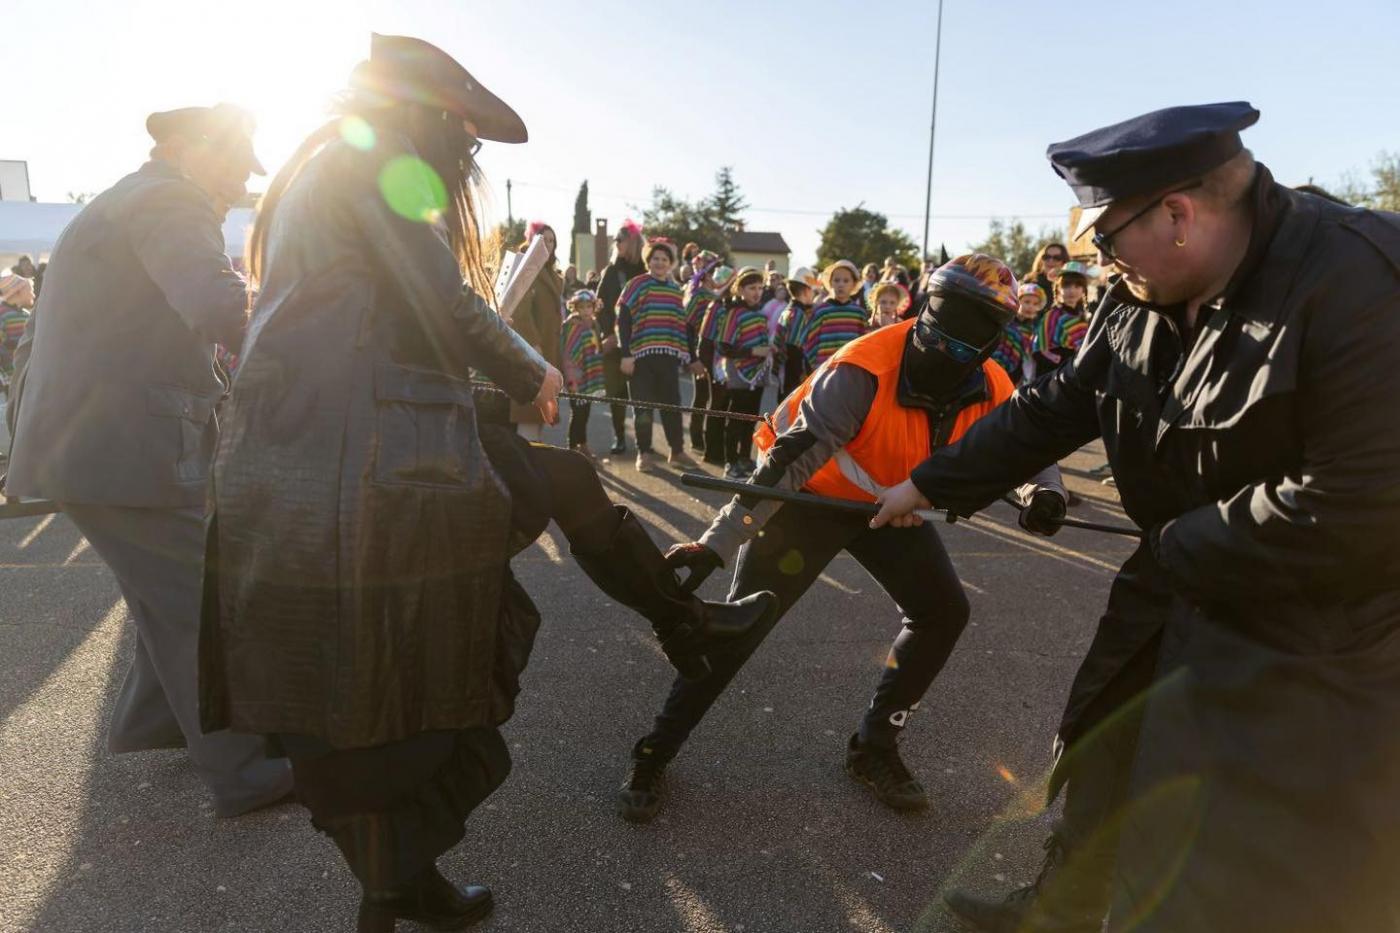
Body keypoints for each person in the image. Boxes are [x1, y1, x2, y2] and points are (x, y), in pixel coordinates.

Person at [198, 35, 777, 933]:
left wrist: (485, 383)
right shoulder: (371, 158)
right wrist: (526, 370)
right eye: (462, 133)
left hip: (322, 457)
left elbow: (376, 323)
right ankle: (683, 627)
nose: (464, 154)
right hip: (362, 465)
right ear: (423, 110)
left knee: (373, 687)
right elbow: (438, 297)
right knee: (400, 679)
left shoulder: (323, 170)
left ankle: (402, 887)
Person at [870, 102, 1400, 933]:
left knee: (1226, 861)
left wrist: (1183, 542)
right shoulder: (1142, 293)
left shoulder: (1359, 277)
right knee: (1105, 761)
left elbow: (1365, 498)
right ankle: (1059, 911)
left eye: (1107, 242)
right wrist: (930, 482)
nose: (1103, 267)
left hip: (1312, 637)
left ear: (1179, 216)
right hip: (1174, 586)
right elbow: (1055, 406)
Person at [617, 254, 1067, 823]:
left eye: (976, 332)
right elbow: (782, 468)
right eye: (947, 324)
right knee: (741, 626)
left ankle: (873, 747)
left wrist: (1041, 493)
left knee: (943, 611)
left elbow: (1023, 446)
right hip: (807, 502)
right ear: (922, 306)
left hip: (886, 508)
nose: (956, 345)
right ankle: (655, 750)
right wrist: (715, 544)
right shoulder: (862, 368)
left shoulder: (993, 382)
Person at [3, 104, 292, 819]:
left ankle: (157, 721)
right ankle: (242, 769)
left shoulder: (127, 197)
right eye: (234, 164)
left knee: (168, 587)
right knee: (196, 598)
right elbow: (218, 307)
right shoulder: (170, 199)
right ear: (194, 149)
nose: (238, 185)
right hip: (119, 443)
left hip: (97, 439)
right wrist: (306, 345)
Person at [615, 237, 696, 472]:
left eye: (664, 259)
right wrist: (626, 354)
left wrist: (691, 357)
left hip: (668, 357)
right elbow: (624, 320)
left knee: (672, 405)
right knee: (642, 407)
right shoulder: (637, 284)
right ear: (648, 261)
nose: (660, 263)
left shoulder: (675, 291)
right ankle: (644, 453)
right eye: (655, 259)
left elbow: (683, 327)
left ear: (670, 263)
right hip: (640, 358)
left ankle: (677, 451)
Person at [712, 267, 773, 478]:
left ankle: (745, 458)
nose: (757, 292)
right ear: (740, 289)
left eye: (760, 287)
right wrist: (753, 351)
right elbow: (723, 346)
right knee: (736, 418)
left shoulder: (760, 314)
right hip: (738, 373)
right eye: (751, 288)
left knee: (750, 418)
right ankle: (731, 461)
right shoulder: (733, 313)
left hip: (757, 374)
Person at [507, 220, 564, 441]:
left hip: (548, 349)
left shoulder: (550, 272)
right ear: (532, 241)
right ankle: (525, 466)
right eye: (544, 239)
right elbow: (521, 312)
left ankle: (532, 463)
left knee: (539, 416)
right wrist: (533, 343)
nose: (548, 244)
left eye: (552, 240)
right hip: (533, 350)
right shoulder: (527, 267)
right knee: (529, 414)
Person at [595, 220, 645, 454]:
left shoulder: (646, 271)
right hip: (614, 343)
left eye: (620, 239)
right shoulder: (611, 271)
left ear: (633, 241)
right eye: (615, 239)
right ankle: (619, 437)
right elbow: (600, 306)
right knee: (616, 393)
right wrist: (610, 333)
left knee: (642, 393)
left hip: (642, 341)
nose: (615, 243)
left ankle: (644, 442)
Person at [682, 250, 723, 456]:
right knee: (703, 396)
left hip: (717, 353)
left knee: (709, 397)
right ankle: (698, 439)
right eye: (716, 272)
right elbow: (686, 327)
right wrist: (693, 357)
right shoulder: (699, 296)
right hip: (703, 352)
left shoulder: (712, 296)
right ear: (707, 275)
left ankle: (704, 439)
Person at [560, 288, 605, 458]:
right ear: (575, 308)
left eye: (589, 307)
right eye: (582, 307)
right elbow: (568, 355)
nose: (586, 311)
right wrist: (571, 379)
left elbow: (596, 348)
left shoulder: (594, 325)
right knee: (578, 412)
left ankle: (583, 444)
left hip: (590, 376)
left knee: (585, 411)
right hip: (576, 378)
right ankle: (572, 449)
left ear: (594, 307)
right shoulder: (571, 326)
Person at [800, 260, 867, 373]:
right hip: (824, 369)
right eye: (837, 280)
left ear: (853, 284)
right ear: (830, 283)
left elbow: (863, 342)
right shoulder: (821, 311)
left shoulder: (859, 313)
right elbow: (809, 340)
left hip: (850, 368)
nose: (841, 284)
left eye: (846, 281)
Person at [1034, 260, 1091, 372]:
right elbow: (1039, 349)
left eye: (1077, 286)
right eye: (1066, 285)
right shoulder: (1052, 315)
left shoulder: (1084, 316)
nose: (1072, 291)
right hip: (1056, 373)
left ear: (1083, 289)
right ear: (1058, 289)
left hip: (1080, 372)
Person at [776, 266, 818, 396]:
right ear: (806, 290)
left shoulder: (788, 310)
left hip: (783, 372)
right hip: (792, 376)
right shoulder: (798, 314)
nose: (814, 294)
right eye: (813, 291)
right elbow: (794, 349)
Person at [989, 283, 1042, 387]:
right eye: (1026, 302)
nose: (1030, 306)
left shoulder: (1035, 329)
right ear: (1017, 302)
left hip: (1016, 372)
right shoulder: (1006, 321)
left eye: (1035, 304)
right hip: (994, 362)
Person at [1026, 242, 1069, 315]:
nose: (1051, 260)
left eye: (1056, 258)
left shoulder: (1070, 285)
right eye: (1046, 257)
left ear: (1064, 262)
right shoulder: (1029, 283)